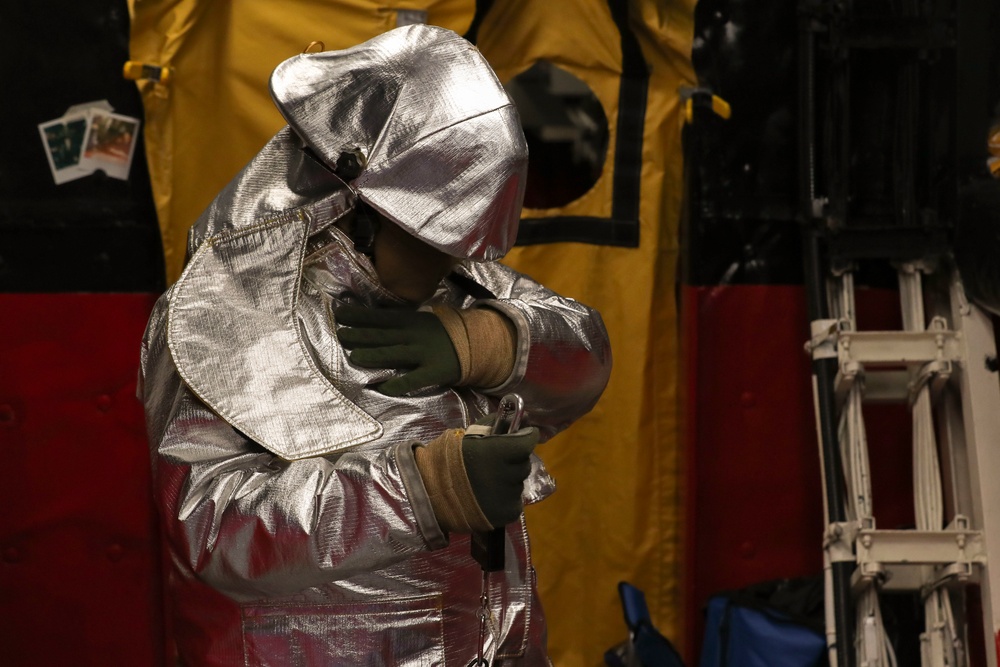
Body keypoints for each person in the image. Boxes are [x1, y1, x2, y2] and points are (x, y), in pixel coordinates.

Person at [140, 24, 611, 666]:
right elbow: (212, 530)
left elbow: (584, 353)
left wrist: (485, 342)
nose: (461, 257)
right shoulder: (219, 316)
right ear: (359, 207)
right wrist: (424, 490)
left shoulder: (459, 286)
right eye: (437, 236)